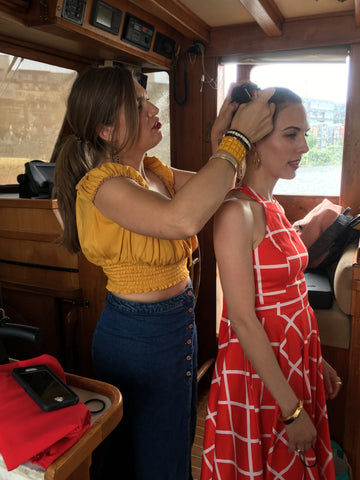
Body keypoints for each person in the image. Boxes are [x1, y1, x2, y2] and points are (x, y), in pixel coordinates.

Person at [52, 64, 275, 480]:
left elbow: (222, 187)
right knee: (153, 457)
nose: (153, 107)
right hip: (139, 337)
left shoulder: (152, 173)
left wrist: (221, 138)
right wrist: (237, 138)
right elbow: (181, 221)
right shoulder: (104, 186)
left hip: (176, 327)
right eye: (137, 105)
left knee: (172, 442)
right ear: (105, 129)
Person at [201, 87, 341, 480]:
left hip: (294, 361)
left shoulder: (271, 205)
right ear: (256, 141)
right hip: (257, 375)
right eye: (292, 134)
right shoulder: (236, 213)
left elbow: (292, 295)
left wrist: (318, 360)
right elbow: (243, 320)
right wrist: (292, 410)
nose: (305, 147)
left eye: (306, 135)